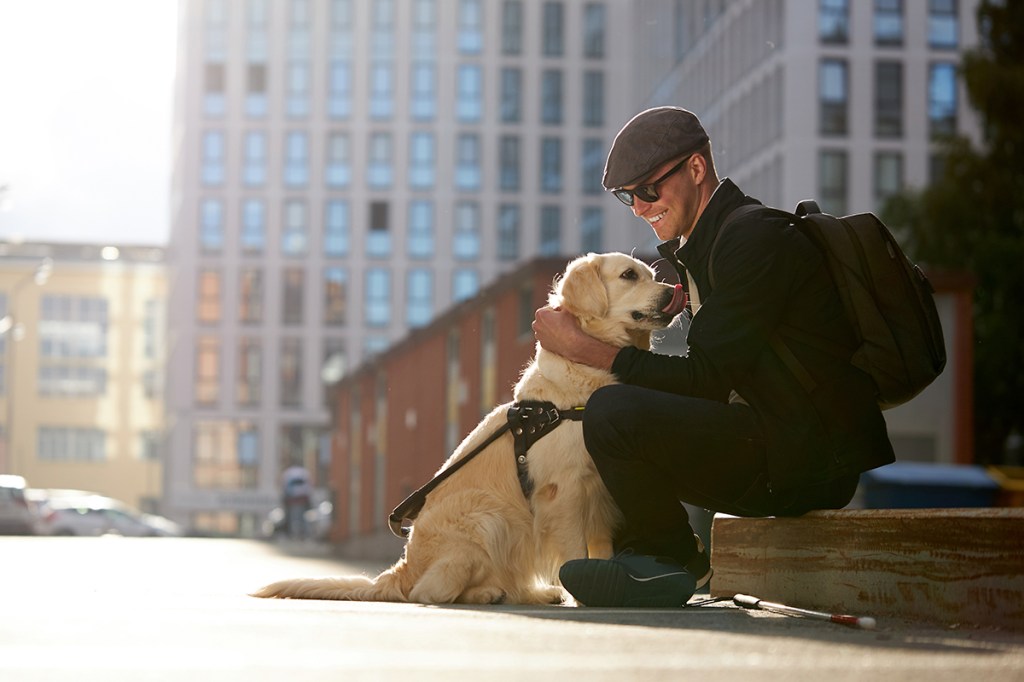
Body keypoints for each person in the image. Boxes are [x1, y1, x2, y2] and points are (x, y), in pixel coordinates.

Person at [533, 106, 894, 608]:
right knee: (617, 409)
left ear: (696, 170)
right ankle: (654, 558)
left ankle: (668, 559)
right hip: (776, 440)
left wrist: (584, 349)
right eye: (627, 196)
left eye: (648, 190)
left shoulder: (752, 240)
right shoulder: (711, 248)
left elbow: (703, 379)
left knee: (612, 412)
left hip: (807, 460)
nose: (639, 207)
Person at [281, 462, 312, 540]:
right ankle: (303, 534)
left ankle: (294, 534)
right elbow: (309, 485)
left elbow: (285, 486)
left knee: (293, 517)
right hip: (302, 498)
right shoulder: (304, 472)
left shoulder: (288, 472)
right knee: (302, 517)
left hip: (292, 499)